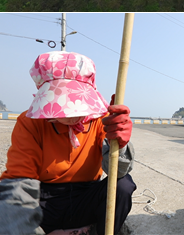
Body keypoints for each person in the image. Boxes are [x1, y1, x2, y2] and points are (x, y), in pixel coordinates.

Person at [0, 51, 136, 235]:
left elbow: (116, 171)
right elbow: (20, 178)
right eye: (63, 104)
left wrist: (120, 146)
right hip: (44, 200)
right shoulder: (30, 122)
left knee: (123, 184)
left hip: (85, 196)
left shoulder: (102, 119)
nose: (71, 115)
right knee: (8, 207)